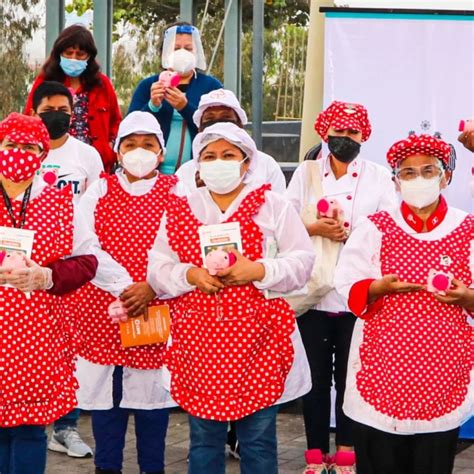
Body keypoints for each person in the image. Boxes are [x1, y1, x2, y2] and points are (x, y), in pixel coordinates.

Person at [148, 122, 314, 474]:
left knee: (257, 439)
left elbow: (302, 262)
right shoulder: (181, 206)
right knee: (204, 440)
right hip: (199, 343)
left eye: (228, 155)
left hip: (259, 344)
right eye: (209, 156)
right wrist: (191, 275)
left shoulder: (272, 206)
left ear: (245, 162)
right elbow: (158, 267)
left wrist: (259, 271)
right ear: (198, 164)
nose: (218, 162)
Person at [334, 133, 473, 474]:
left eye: (428, 170)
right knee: (380, 460)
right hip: (382, 370)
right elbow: (346, 282)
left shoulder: (467, 228)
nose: (418, 179)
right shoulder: (376, 227)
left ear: (446, 177)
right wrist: (377, 287)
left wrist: (467, 297)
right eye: (408, 173)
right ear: (395, 181)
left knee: (432, 460)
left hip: (442, 371)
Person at [285, 101, 398, 474]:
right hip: (314, 295)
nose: (344, 139)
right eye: (338, 132)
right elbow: (284, 222)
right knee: (316, 381)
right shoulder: (306, 173)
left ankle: (347, 454)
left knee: (350, 379)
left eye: (352, 133)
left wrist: (352, 232)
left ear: (363, 136)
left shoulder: (379, 177)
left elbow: (388, 226)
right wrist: (316, 228)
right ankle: (316, 456)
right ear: (325, 133)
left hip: (356, 297)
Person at [74, 111, 185, 474]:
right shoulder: (100, 189)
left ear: (161, 151)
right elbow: (84, 243)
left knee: (153, 412)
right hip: (105, 312)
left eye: (148, 145)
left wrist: (152, 287)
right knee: (108, 409)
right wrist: (126, 287)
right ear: (118, 151)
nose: (139, 151)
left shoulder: (176, 191)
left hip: (158, 310)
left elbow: (186, 246)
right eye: (131, 144)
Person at [0, 113, 98, 474]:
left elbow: (88, 262)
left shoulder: (60, 204)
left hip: (36, 337)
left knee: (28, 431)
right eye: (11, 144)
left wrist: (47, 276)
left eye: (29, 147)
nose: (19, 152)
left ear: (42, 153)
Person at [29, 80, 103, 457]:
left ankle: (66, 426)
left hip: (70, 262)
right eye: (48, 111)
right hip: (24, 265)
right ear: (34, 112)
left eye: (63, 110)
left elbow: (95, 205)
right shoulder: (22, 151)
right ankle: (29, 420)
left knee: (68, 346)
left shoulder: (86, 155)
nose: (56, 116)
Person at [24, 24, 122, 172]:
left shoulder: (102, 84)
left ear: (89, 56)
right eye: (68, 53)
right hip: (53, 161)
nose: (73, 58)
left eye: (80, 54)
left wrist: (110, 145)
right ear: (59, 54)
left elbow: (116, 120)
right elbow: (29, 118)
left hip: (97, 162)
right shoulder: (45, 80)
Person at [128, 22, 222, 174]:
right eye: (176, 48)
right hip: (152, 174)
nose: (182, 53)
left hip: (197, 174)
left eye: (189, 49)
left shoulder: (211, 86)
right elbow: (130, 127)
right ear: (164, 52)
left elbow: (220, 129)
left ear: (197, 52)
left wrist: (186, 108)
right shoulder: (148, 85)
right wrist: (152, 106)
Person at [176, 88, 287, 194]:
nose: (219, 124)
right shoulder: (186, 172)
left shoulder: (267, 166)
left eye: (226, 118)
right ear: (200, 128)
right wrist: (203, 194)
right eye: (210, 119)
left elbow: (279, 208)